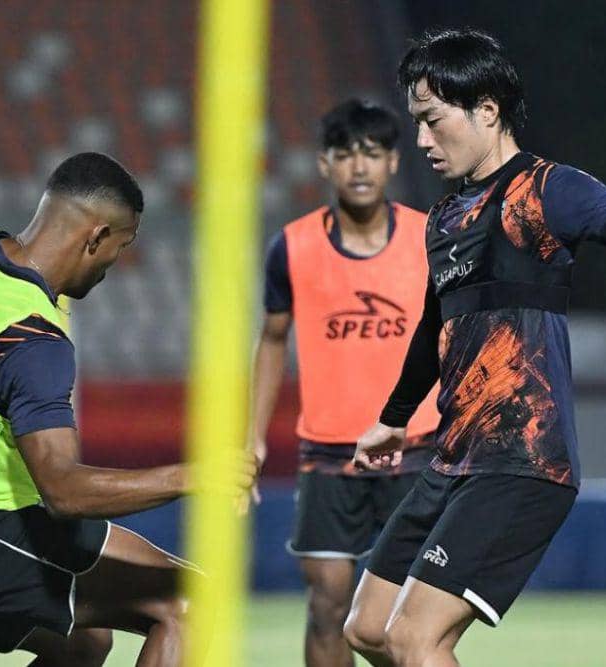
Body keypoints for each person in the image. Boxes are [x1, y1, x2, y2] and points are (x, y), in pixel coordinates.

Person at [341, 29, 606, 667]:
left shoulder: (547, 188)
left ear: (486, 111)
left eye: (431, 121)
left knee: (414, 638)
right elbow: (432, 329)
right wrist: (393, 420)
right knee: (366, 629)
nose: (420, 141)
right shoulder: (446, 219)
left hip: (522, 458)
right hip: (456, 457)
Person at [0, 152, 256, 667]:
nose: (112, 267)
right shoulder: (32, 340)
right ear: (95, 237)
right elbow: (64, 491)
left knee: (85, 643)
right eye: (120, 250)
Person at [246, 99, 440, 666]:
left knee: (405, 615)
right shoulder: (293, 246)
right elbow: (273, 339)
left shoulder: (430, 240)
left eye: (372, 154)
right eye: (346, 155)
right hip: (329, 454)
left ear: (393, 163)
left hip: (416, 448)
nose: (359, 167)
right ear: (324, 165)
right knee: (329, 604)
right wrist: (253, 437)